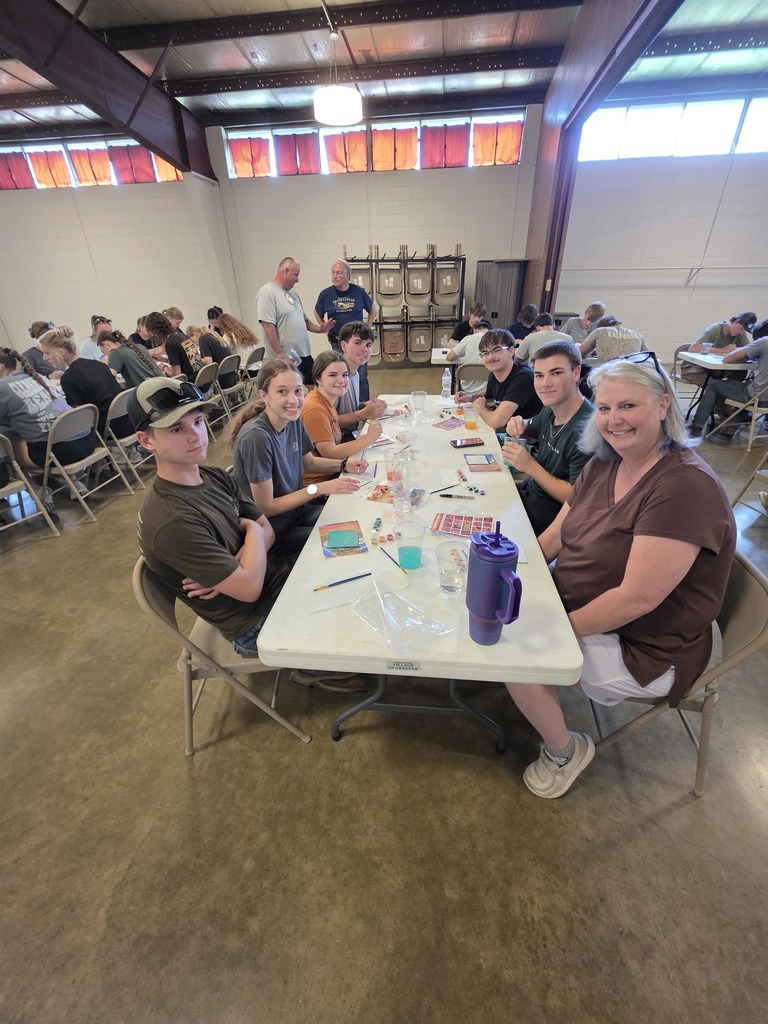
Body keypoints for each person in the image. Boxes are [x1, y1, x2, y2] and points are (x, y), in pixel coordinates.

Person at [504, 353, 735, 798]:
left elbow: (636, 599)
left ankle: (564, 751)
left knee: (512, 649)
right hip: (585, 606)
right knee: (500, 611)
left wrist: (552, 631)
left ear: (663, 406)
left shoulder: (683, 487)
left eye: (629, 406)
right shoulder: (607, 462)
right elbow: (555, 535)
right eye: (606, 407)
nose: (614, 420)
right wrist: (508, 568)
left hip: (645, 645)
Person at [129, 377, 306, 671]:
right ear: (146, 441)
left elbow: (270, 534)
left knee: (348, 561)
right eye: (176, 429)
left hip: (273, 576)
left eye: (198, 421)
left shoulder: (213, 476)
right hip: (252, 622)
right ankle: (317, 670)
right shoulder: (171, 521)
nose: (196, 435)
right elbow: (249, 588)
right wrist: (251, 531)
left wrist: (238, 563)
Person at [230, 360, 366, 557]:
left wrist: (344, 464)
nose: (293, 400)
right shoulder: (256, 437)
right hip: (276, 532)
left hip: (297, 512)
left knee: (357, 519)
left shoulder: (292, 419)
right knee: (350, 544)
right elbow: (266, 507)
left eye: (297, 391)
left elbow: (308, 462)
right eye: (282, 392)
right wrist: (318, 489)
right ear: (264, 395)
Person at [501, 340, 594, 535]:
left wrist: (530, 466)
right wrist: (519, 423)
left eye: (556, 373)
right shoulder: (551, 409)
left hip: (549, 518)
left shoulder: (588, 430)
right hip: (529, 494)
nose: (545, 384)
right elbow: (531, 429)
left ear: (576, 373)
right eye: (539, 375)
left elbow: (575, 497)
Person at [0, 346, 93, 506]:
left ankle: (37, 491)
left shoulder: (2, 387)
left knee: (5, 443)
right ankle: (75, 483)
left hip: (61, 453)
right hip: (87, 441)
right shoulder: (36, 376)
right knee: (45, 433)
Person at [301, 351, 382, 479]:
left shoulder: (325, 399)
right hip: (320, 480)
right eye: (333, 375)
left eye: (345, 375)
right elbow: (330, 453)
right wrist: (369, 438)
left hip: (333, 470)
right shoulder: (314, 408)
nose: (341, 380)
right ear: (318, 379)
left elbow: (331, 423)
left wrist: (364, 406)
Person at [256, 257, 334, 385]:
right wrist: (280, 354)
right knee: (291, 389)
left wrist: (320, 329)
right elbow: (268, 325)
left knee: (315, 387)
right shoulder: (267, 292)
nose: (298, 280)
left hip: (303, 353)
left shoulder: (293, 294)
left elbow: (304, 320)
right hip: (285, 356)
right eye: (296, 275)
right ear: (286, 271)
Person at [38, 326, 124, 437]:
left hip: (106, 430)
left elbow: (79, 416)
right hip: (125, 421)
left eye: (47, 353)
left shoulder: (69, 378)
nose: (44, 358)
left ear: (61, 352)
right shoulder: (98, 364)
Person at [689, 317, 768, 437]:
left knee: (714, 385)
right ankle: (732, 425)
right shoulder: (715, 329)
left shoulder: (764, 342)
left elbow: (728, 359)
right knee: (746, 384)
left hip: (759, 398)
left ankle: (697, 426)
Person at [454, 329, 541, 432]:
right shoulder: (494, 373)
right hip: (508, 432)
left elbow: (496, 422)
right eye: (485, 353)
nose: (490, 357)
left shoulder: (523, 377)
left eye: (496, 350)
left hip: (527, 437)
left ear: (511, 351)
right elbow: (487, 394)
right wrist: (470, 396)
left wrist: (481, 409)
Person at [315, 259, 376, 398]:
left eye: (339, 273)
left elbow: (372, 309)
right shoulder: (326, 294)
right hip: (337, 342)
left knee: (361, 376)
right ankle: (345, 405)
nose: (334, 276)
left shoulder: (358, 291)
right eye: (333, 273)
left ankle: (364, 407)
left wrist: (367, 327)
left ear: (348, 275)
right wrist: (324, 327)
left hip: (358, 342)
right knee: (341, 375)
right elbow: (317, 312)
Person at [336, 322, 387, 438]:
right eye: (358, 343)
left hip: (351, 433)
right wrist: (364, 414)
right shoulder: (336, 376)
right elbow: (327, 421)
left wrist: (366, 405)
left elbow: (344, 409)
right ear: (344, 346)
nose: (364, 349)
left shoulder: (355, 374)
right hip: (337, 439)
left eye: (368, 345)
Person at [681, 311, 757, 387]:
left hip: (714, 368)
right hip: (693, 367)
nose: (741, 332)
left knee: (740, 370)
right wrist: (722, 350)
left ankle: (730, 391)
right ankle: (720, 391)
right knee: (713, 385)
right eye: (741, 329)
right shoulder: (715, 329)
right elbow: (693, 348)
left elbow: (749, 349)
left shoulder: (740, 334)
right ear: (736, 321)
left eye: (744, 331)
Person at [97, 331, 164, 390]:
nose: (106, 355)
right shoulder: (140, 347)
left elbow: (110, 378)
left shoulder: (115, 352)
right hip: (162, 385)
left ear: (105, 344)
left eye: (103, 351)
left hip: (147, 391)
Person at [145, 311, 202, 379]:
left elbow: (177, 375)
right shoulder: (183, 336)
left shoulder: (170, 344)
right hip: (199, 377)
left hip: (188, 381)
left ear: (155, 331)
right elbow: (196, 363)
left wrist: (164, 367)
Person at [186, 324, 239, 390]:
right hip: (233, 377)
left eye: (192, 341)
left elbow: (208, 362)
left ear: (194, 334)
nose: (194, 344)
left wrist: (195, 359)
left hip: (222, 382)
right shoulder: (214, 336)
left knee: (198, 386)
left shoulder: (203, 339)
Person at [579, 316, 646, 363]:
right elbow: (648, 356)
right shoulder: (637, 334)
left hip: (608, 373)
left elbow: (578, 353)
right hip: (633, 374)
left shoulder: (600, 331)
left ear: (602, 326)